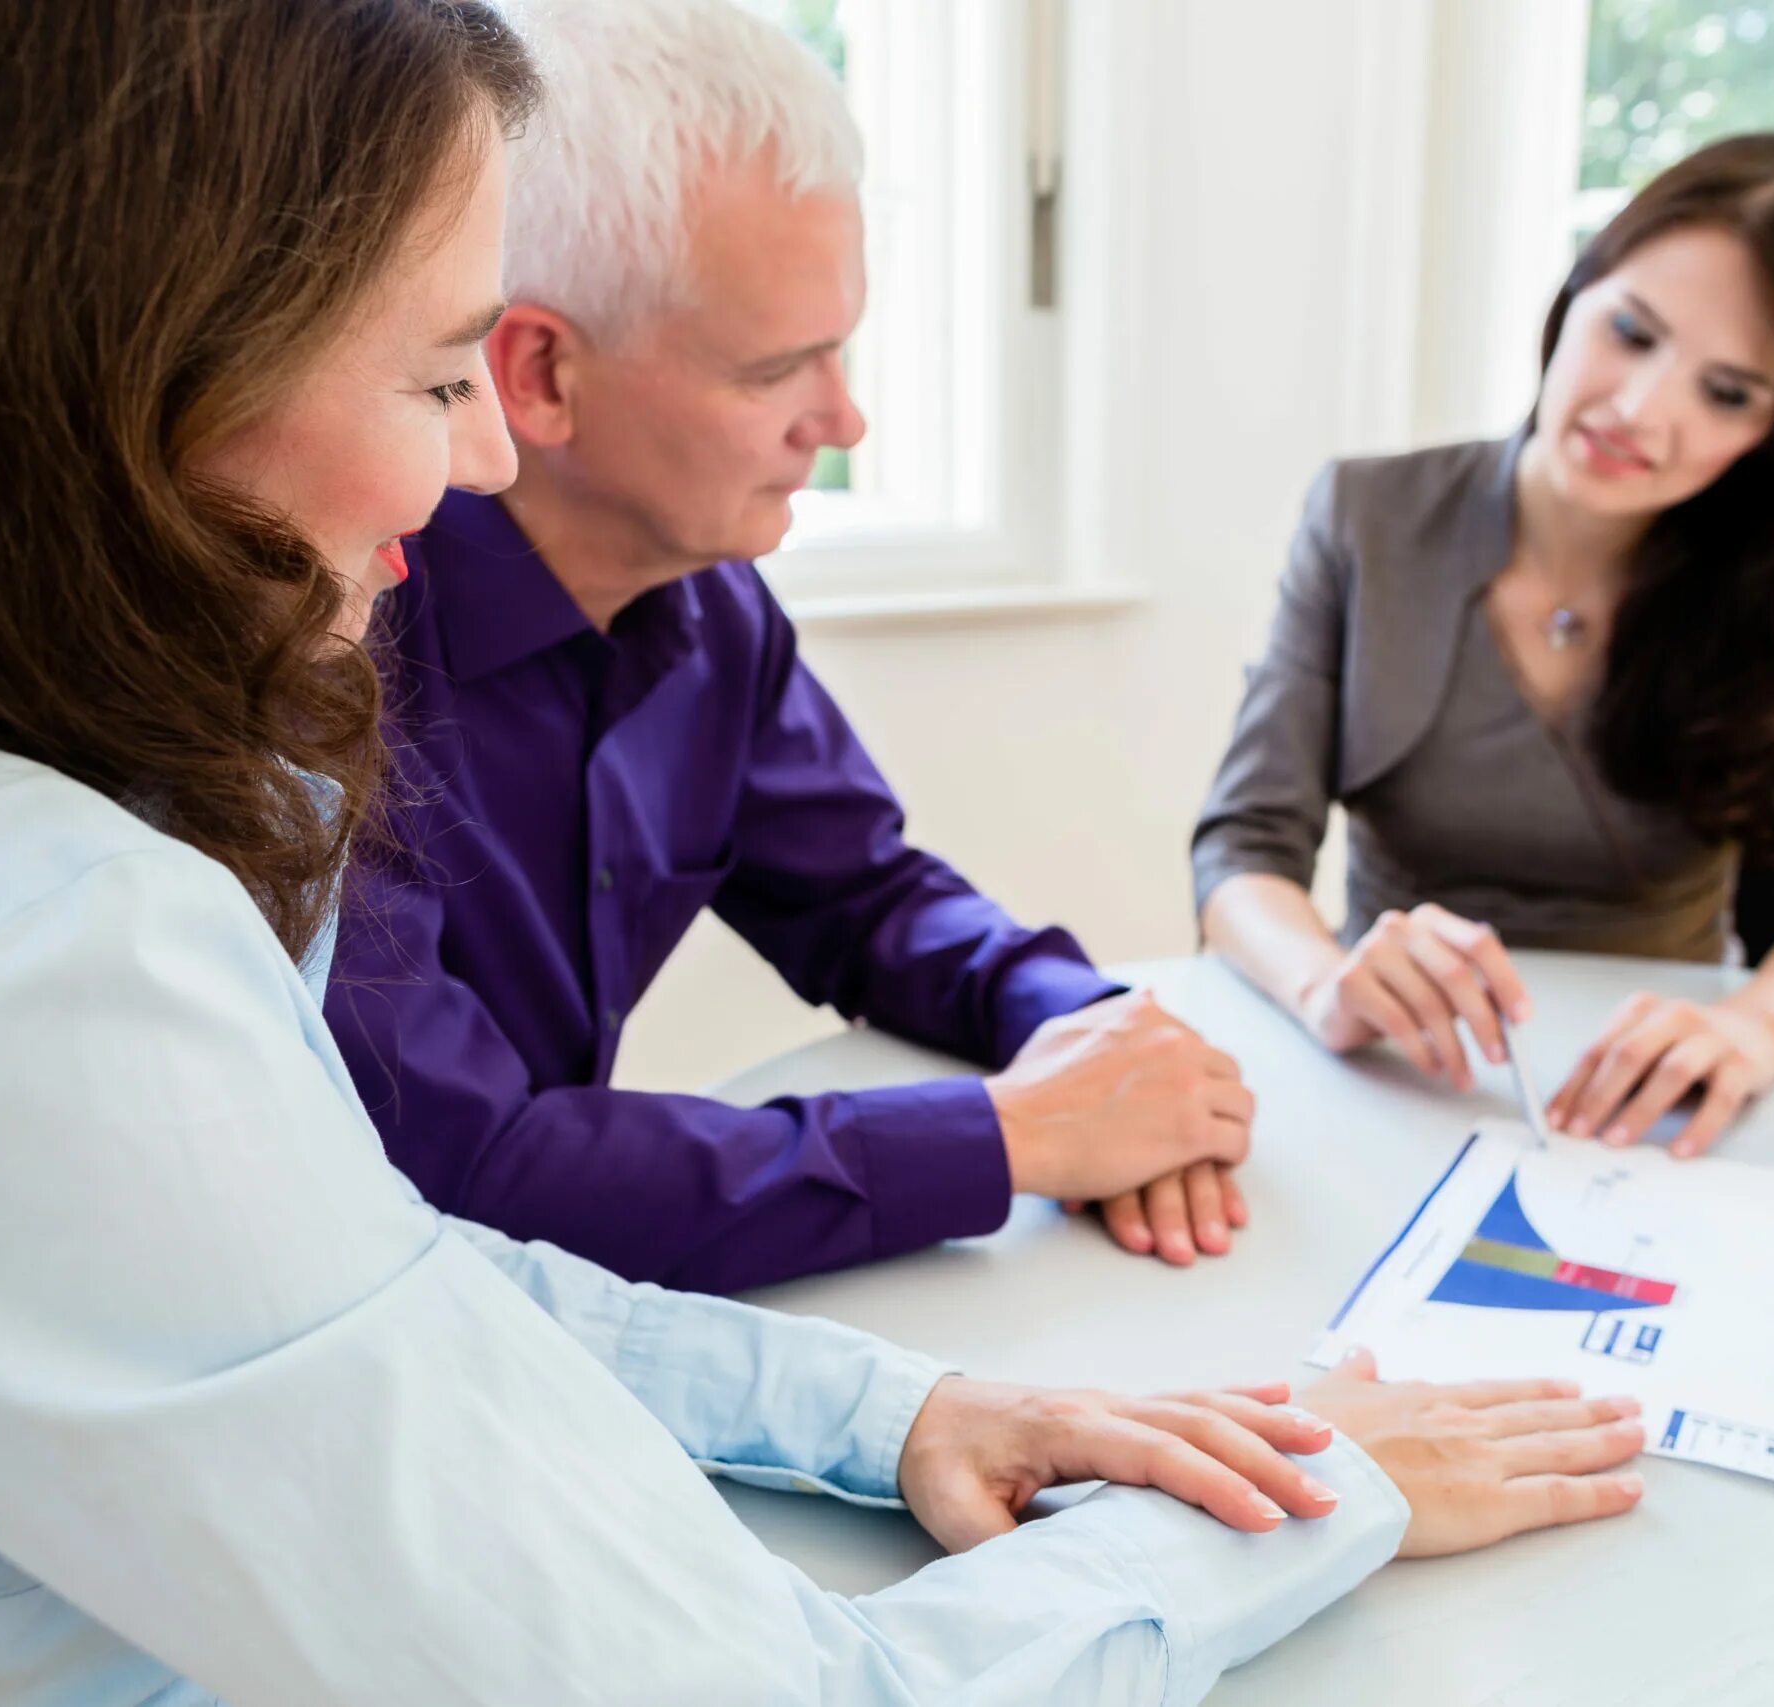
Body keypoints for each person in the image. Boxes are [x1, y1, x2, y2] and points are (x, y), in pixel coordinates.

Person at [0, 1, 1648, 1700]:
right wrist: (1327, 1482)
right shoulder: (39, 959)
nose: (473, 469)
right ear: (116, 375)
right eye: (432, 376)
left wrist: (902, 1398)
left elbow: (378, 1272)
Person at [329, 0, 1245, 1285]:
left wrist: (1098, 1035)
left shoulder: (706, 604)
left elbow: (863, 898)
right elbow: (462, 1167)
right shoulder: (332, 654)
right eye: (778, 371)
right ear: (536, 375)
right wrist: (1007, 1137)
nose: (846, 419)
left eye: (843, 349)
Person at [1194, 133, 1774, 1159]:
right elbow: (1242, 847)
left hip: (1658, 1107)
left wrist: (1754, 1026)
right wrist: (1326, 982)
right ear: (1574, 291)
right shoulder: (1367, 518)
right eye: (1630, 332)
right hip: (1397, 1079)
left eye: (1726, 393)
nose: (1638, 411)